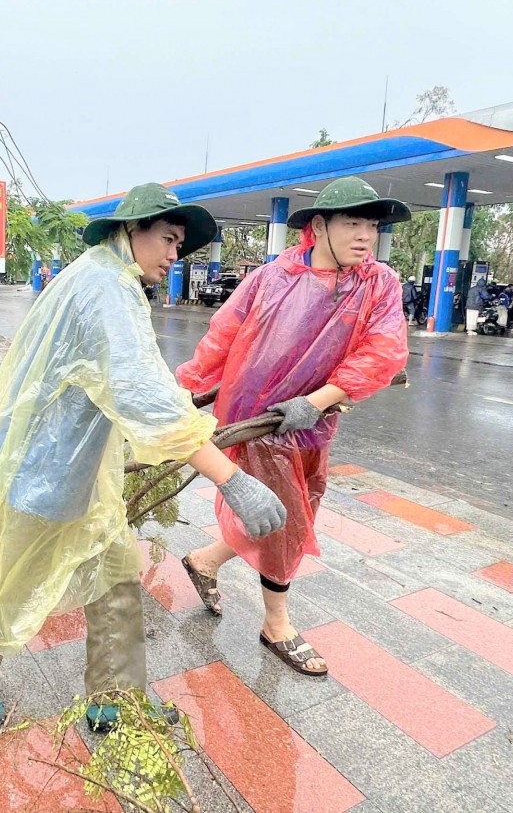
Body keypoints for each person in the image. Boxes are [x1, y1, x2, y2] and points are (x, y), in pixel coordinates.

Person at [0, 183, 288, 738]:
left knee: (117, 580)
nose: (175, 255)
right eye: (169, 240)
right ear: (132, 231)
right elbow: (142, 396)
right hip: (37, 475)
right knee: (5, 583)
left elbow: (133, 381)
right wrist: (231, 478)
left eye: (181, 245)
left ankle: (114, 697)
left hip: (78, 474)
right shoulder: (106, 287)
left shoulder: (104, 275)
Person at [176, 176, 410, 676]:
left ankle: (204, 561)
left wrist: (317, 401)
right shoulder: (272, 277)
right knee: (288, 521)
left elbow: (383, 350)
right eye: (353, 223)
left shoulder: (379, 283)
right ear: (320, 226)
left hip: (313, 421)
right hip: (257, 419)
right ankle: (276, 623)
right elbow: (224, 334)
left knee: (290, 508)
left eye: (371, 225)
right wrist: (186, 389)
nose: (365, 235)